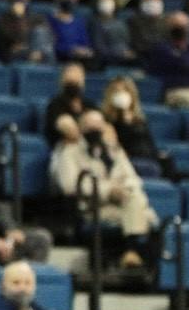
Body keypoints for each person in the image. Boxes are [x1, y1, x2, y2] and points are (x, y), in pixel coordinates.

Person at [51, 111, 155, 268]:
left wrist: (122, 190)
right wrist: (108, 191)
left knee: (135, 199)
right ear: (81, 128)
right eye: (90, 126)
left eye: (98, 125)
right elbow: (70, 185)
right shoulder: (70, 152)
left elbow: (133, 179)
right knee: (144, 215)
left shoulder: (114, 151)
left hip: (121, 204)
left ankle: (131, 254)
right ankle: (132, 250)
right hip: (92, 207)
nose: (95, 130)